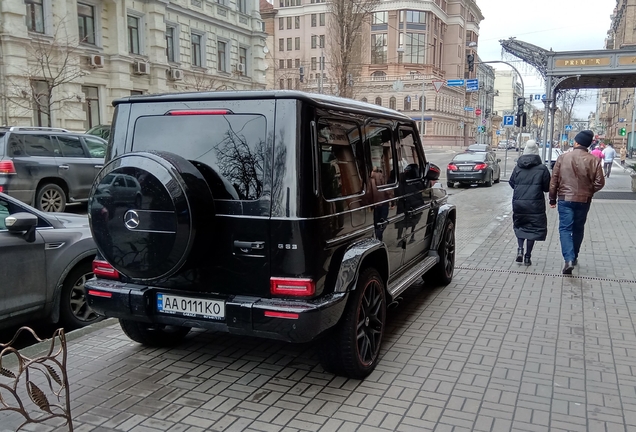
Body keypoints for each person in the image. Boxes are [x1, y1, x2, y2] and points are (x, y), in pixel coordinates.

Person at [549, 130, 605, 274]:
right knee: (578, 229)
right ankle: (574, 258)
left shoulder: (563, 158)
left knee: (565, 229)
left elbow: (554, 180)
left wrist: (552, 198)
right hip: (584, 200)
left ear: (576, 142)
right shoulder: (594, 160)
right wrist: (589, 191)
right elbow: (600, 182)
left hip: (565, 199)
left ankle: (568, 258)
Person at [508, 140, 551, 266]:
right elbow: (547, 187)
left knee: (520, 226)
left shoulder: (518, 167)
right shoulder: (542, 169)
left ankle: (520, 249)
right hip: (535, 204)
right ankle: (527, 256)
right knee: (533, 229)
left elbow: (512, 183)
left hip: (519, 203)